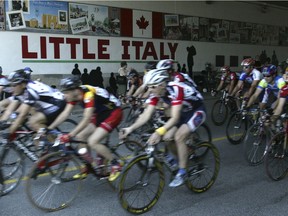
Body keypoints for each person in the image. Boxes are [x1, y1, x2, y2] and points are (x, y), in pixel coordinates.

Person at [120, 68, 206, 187]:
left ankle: (182, 172)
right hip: (183, 112)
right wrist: (130, 129)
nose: (150, 90)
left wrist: (158, 132)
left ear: (161, 85)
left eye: (152, 87)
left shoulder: (176, 89)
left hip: (197, 110)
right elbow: (146, 115)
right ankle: (183, 157)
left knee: (179, 136)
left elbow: (175, 118)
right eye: (148, 87)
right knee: (167, 138)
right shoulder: (156, 93)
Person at [48, 76, 123, 181]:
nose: (64, 95)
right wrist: (49, 128)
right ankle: (88, 166)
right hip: (99, 114)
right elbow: (65, 113)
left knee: (93, 141)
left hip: (113, 112)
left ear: (75, 90)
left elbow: (87, 118)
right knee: (80, 137)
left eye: (66, 92)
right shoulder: (74, 96)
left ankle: (116, 163)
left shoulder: (88, 94)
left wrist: (70, 135)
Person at [0, 69, 66, 136]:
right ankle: (45, 136)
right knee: (35, 136)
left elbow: (22, 115)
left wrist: (10, 132)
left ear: (23, 84)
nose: (11, 88)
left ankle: (55, 143)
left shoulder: (31, 90)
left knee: (33, 122)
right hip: (45, 106)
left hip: (58, 103)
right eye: (11, 85)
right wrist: (2, 122)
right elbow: (9, 111)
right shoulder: (19, 91)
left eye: (14, 85)